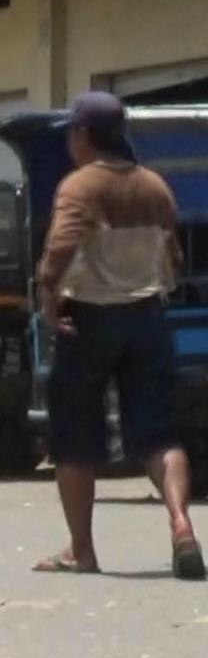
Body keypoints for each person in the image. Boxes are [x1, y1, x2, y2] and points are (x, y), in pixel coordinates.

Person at [34, 91, 204, 579]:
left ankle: (82, 551)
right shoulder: (156, 187)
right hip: (147, 317)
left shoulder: (80, 187)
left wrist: (49, 296)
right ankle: (181, 525)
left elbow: (61, 248)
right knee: (159, 436)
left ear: (84, 135)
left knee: (74, 437)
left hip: (89, 320)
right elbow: (173, 255)